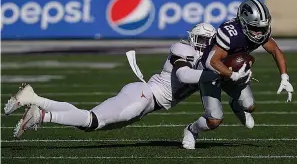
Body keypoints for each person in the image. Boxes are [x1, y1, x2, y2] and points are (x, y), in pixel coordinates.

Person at [5, 23, 219, 138]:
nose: (203, 45)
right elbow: (184, 75)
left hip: (147, 102)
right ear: (192, 38)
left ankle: (33, 98)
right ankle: (42, 115)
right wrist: (220, 73)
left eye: (207, 41)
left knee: (89, 123)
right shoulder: (183, 49)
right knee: (93, 120)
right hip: (144, 95)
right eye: (200, 40)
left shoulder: (205, 61)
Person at [182, 0, 294, 150]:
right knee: (214, 120)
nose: (259, 33)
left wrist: (284, 77)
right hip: (211, 74)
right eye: (255, 28)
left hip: (232, 72)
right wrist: (233, 76)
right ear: (243, 22)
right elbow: (211, 62)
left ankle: (235, 104)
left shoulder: (260, 32)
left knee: (250, 106)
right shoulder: (230, 32)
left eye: (262, 28)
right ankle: (191, 129)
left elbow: (275, 50)